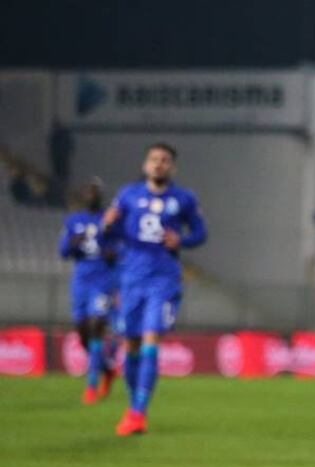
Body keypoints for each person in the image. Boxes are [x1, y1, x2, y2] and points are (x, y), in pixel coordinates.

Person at [102, 143, 207, 436]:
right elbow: (112, 231)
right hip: (132, 277)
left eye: (165, 160)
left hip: (164, 279)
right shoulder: (128, 194)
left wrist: (182, 241)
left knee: (150, 339)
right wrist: (108, 225)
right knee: (132, 344)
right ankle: (134, 406)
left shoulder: (183, 199)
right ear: (145, 165)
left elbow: (200, 232)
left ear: (172, 167)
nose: (159, 164)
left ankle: (138, 412)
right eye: (154, 159)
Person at [58, 178, 120, 404]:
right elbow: (63, 251)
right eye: (88, 191)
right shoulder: (74, 220)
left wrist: (114, 253)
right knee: (82, 332)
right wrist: (72, 243)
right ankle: (107, 369)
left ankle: (91, 387)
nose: (91, 194)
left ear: (101, 195)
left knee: (96, 327)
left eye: (95, 191)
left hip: (103, 281)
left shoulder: (110, 220)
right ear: (83, 196)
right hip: (81, 281)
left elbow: (122, 247)